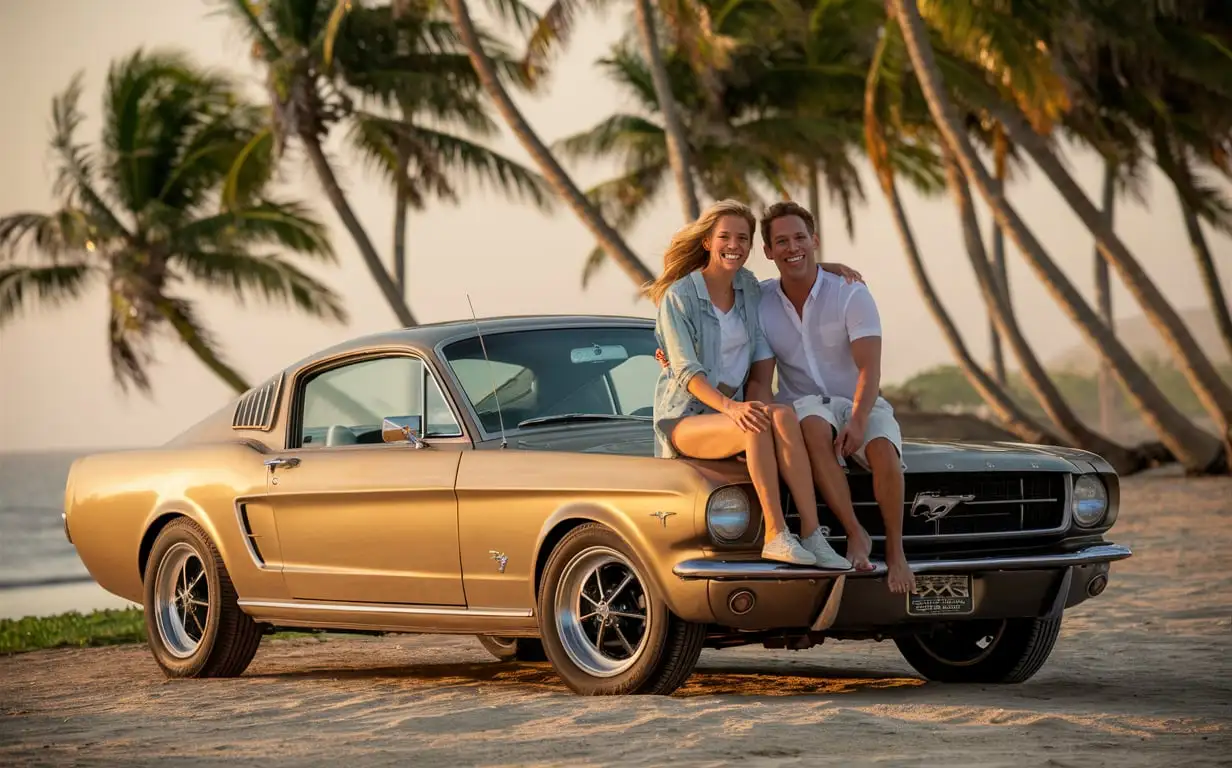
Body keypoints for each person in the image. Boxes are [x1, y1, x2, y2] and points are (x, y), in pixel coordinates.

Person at [648, 200, 859, 568]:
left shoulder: (748, 288)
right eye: (725, 237)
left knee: (782, 415)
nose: (735, 245)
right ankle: (776, 534)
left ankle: (812, 535)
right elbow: (686, 372)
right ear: (708, 243)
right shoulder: (679, 297)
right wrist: (732, 408)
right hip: (684, 418)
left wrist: (824, 267)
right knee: (759, 423)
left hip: (737, 411)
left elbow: (763, 360)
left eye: (742, 238)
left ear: (750, 248)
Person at [756, 200, 915, 594]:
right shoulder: (760, 301)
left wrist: (859, 420)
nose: (792, 247)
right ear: (768, 251)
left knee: (884, 455)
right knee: (811, 425)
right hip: (803, 404)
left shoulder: (850, 292)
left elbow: (870, 368)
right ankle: (855, 532)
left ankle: (896, 552)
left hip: (860, 398)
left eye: (799, 238)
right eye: (781, 242)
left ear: (815, 240)